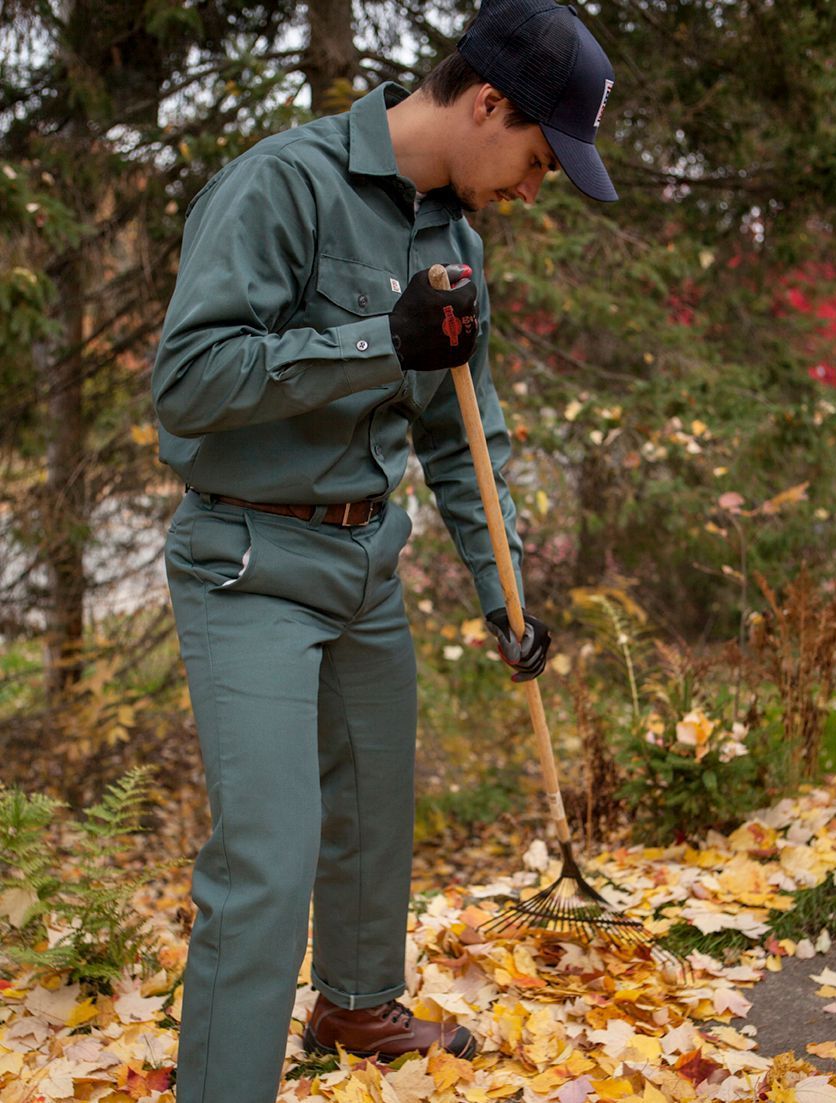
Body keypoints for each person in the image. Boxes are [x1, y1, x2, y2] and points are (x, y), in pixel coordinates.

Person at [151, 1, 617, 1100]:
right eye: (541, 161)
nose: (533, 189)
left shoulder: (454, 241)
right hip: (250, 559)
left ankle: (356, 1006)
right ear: (490, 103)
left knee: (373, 801)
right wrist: (376, 340)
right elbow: (189, 383)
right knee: (268, 854)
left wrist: (505, 592)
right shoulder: (283, 185)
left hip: (365, 564)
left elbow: (462, 432)